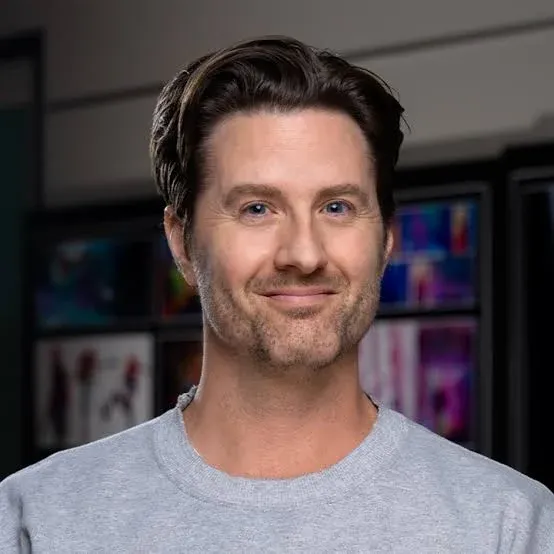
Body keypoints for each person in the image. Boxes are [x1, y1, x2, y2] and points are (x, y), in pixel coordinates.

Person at [1, 35, 553, 553]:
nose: (304, 254)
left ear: (386, 239)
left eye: (337, 207)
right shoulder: (41, 522)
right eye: (257, 208)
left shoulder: (507, 528)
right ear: (182, 242)